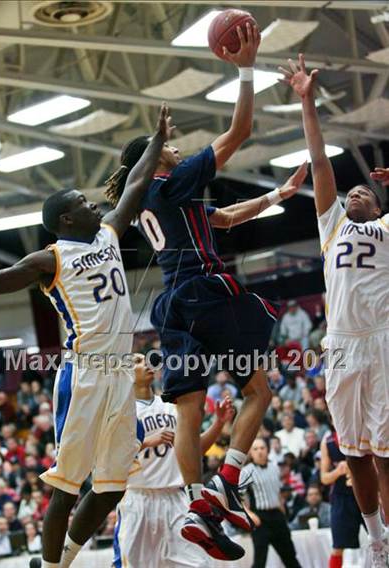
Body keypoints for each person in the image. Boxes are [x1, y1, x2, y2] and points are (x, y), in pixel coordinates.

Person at [105, 22, 308, 561]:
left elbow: (220, 219)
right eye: (167, 146)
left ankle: (198, 503)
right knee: (260, 391)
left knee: (189, 406)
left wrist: (275, 196)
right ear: (154, 157)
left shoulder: (152, 198)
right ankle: (226, 482)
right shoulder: (172, 182)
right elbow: (238, 133)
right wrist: (246, 67)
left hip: (171, 306)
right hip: (202, 290)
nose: (174, 148)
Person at [0, 104, 174, 568]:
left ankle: (63, 558)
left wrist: (158, 138)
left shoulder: (107, 232)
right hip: (84, 375)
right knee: (66, 483)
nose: (92, 204)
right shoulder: (49, 260)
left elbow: (137, 184)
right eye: (82, 202)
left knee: (112, 486)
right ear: (65, 220)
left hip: (120, 373)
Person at [280, 53, 389, 566]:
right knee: (353, 453)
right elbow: (320, 161)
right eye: (352, 190)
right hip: (342, 346)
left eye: (366, 189)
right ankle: (375, 538)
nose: (355, 191)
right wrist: (308, 101)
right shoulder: (333, 229)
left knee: (386, 456)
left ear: (379, 208)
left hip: (383, 340)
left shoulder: (387, 230)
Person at [113, 353, 234, 567]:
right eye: (138, 362)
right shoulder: (120, 413)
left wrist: (217, 423)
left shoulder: (172, 407)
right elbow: (110, 457)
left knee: (200, 564)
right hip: (139, 498)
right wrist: (146, 442)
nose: (147, 364)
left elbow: (194, 450)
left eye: (147, 360)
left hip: (176, 498)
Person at [240, 438, 301, 568]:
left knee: (290, 556)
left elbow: (278, 493)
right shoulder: (246, 471)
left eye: (262, 448)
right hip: (260, 518)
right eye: (256, 449)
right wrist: (249, 514)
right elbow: (239, 498)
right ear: (251, 452)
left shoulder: (274, 468)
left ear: (267, 450)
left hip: (277, 516)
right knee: (260, 560)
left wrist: (282, 511)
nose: (260, 451)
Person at [321, 428, 364, 568]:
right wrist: (338, 471)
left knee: (383, 539)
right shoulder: (328, 441)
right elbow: (324, 478)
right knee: (338, 547)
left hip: (365, 492)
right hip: (341, 498)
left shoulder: (362, 432)